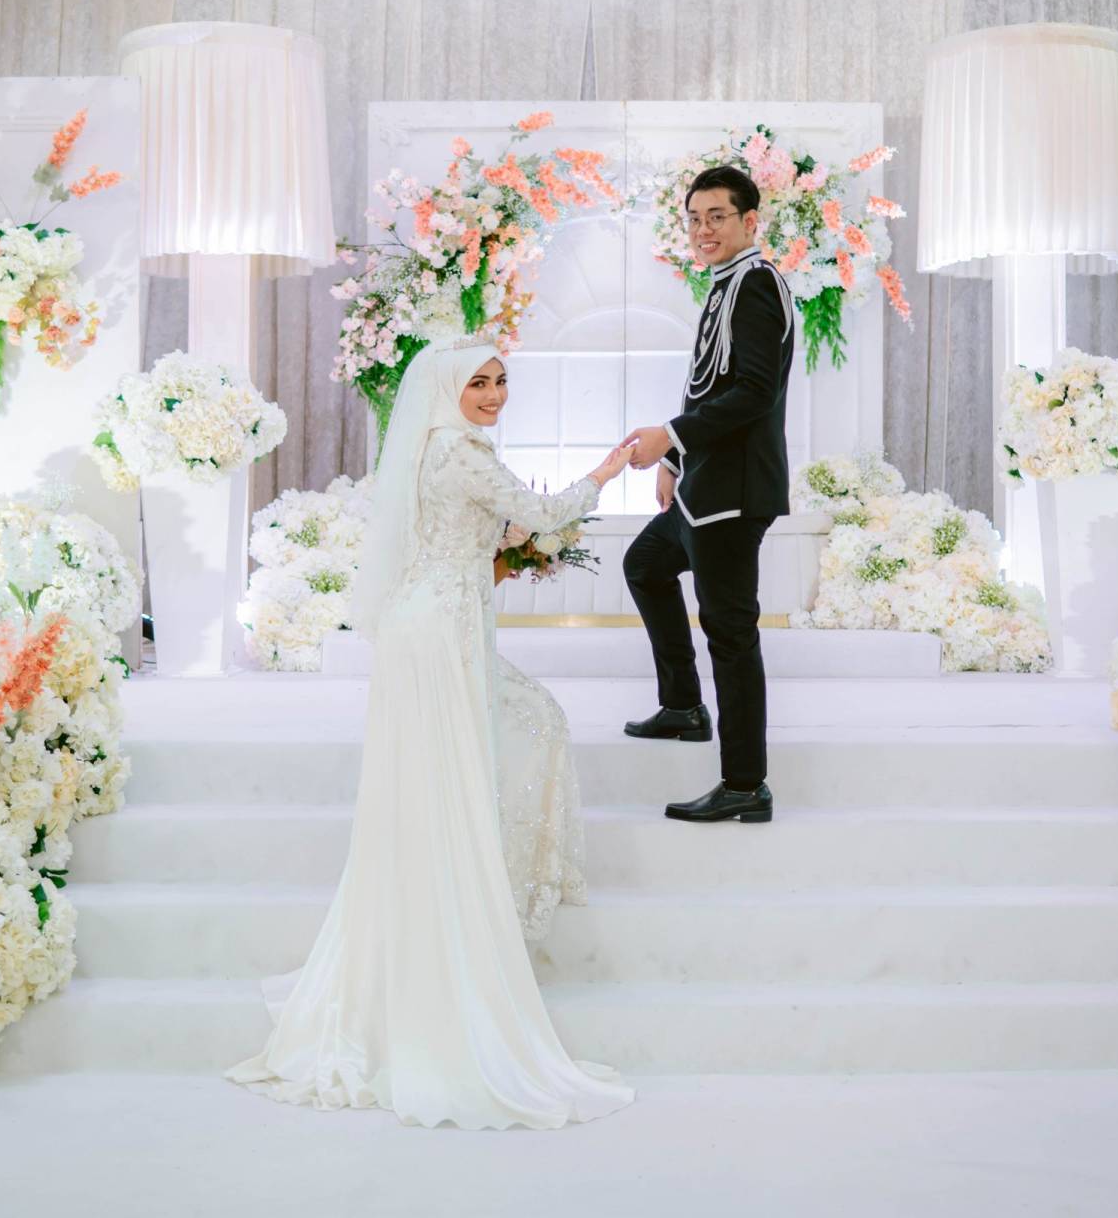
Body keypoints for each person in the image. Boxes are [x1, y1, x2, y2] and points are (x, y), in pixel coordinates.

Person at [226, 337, 634, 1130]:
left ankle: (476, 905)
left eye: (500, 380)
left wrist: (506, 549)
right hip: (437, 634)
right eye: (477, 382)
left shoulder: (444, 448)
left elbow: (474, 534)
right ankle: (460, 932)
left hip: (438, 623)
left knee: (485, 751)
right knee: (462, 772)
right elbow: (545, 512)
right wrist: (607, 470)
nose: (493, 394)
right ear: (448, 390)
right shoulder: (457, 451)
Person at [621, 164, 797, 825]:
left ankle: (745, 783)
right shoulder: (728, 283)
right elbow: (710, 384)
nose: (703, 229)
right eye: (694, 219)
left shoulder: (756, 284)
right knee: (645, 564)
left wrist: (668, 435)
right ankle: (683, 707)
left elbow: (753, 393)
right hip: (704, 485)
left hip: (734, 494)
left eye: (716, 216)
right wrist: (677, 456)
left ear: (750, 221)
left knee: (729, 633)